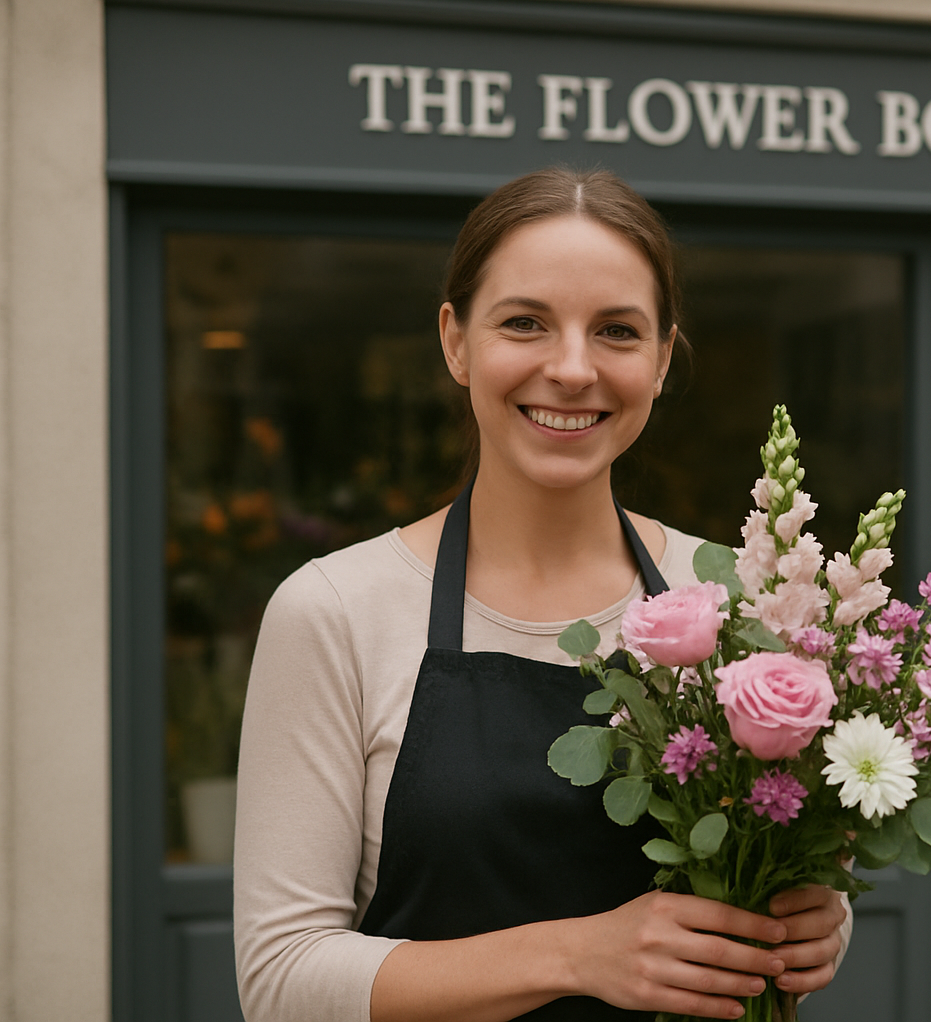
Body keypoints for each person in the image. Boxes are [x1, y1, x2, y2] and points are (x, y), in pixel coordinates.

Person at [232, 168, 851, 1022]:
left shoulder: (747, 593)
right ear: (455, 341)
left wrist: (818, 922)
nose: (571, 368)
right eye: (525, 322)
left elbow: (775, 875)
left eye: (617, 331)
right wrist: (579, 955)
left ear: (663, 359)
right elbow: (282, 982)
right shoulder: (334, 610)